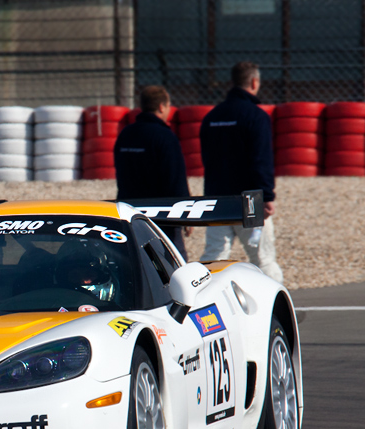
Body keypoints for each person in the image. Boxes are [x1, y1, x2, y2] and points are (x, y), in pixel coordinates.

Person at [199, 61, 282, 282]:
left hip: (217, 199)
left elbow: (207, 159)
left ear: (232, 82)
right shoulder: (256, 117)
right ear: (254, 82)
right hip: (250, 199)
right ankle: (276, 312)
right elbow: (261, 160)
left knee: (214, 257)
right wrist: (267, 196)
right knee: (262, 259)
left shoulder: (211, 117)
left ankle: (198, 306)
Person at [114, 85, 190, 260]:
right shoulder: (165, 136)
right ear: (162, 107)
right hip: (163, 215)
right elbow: (175, 179)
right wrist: (185, 214)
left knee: (137, 260)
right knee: (174, 261)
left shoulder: (125, 134)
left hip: (131, 210)